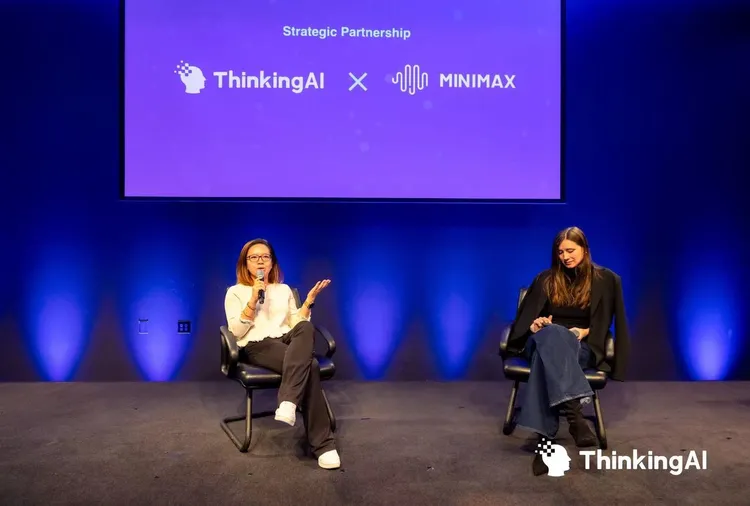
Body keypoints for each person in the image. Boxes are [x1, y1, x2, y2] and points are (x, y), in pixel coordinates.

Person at [506, 227, 630, 476]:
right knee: (552, 334)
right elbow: (526, 321)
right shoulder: (546, 279)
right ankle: (575, 417)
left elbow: (607, 323)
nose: (565, 257)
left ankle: (544, 444)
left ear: (585, 249)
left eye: (570, 250)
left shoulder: (606, 280)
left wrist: (583, 332)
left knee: (546, 357)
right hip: (542, 340)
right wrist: (536, 325)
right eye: (560, 252)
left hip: (581, 346)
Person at [224, 238, 340, 470]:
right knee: (311, 366)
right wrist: (253, 299)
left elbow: (295, 323)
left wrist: (308, 302)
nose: (260, 261)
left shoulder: (283, 289)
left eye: (265, 257)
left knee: (305, 327)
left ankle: (288, 400)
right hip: (257, 344)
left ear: (272, 262)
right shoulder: (235, 292)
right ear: (245, 263)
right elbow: (236, 332)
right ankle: (324, 445)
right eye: (254, 257)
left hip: (286, 339)